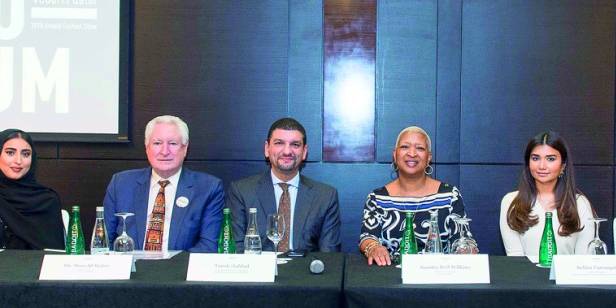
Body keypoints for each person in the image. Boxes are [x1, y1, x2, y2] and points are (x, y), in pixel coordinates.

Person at [102, 115, 225, 252]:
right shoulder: (121, 184)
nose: (164, 151)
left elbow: (208, 247)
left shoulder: (208, 188)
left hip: (179, 271)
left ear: (185, 148)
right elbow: (104, 242)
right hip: (131, 270)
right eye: (157, 143)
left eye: (172, 143)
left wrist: (165, 269)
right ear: (146, 147)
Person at [359, 126, 475, 265]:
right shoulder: (377, 198)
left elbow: (462, 237)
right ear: (395, 154)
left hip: (438, 276)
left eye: (420, 148)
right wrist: (374, 248)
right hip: (390, 277)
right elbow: (368, 237)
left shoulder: (449, 195)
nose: (412, 153)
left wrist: (466, 251)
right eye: (405, 147)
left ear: (428, 158)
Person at [226, 118, 342, 253]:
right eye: (279, 143)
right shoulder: (242, 192)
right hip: (258, 272)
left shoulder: (325, 196)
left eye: (295, 145)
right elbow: (236, 251)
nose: (287, 151)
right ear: (267, 148)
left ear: (304, 151)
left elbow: (329, 257)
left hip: (304, 272)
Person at [0, 128, 65, 250]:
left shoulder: (47, 200)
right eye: (10, 153)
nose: (18, 161)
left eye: (25, 154)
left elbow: (54, 256)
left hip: (36, 268)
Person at [499, 132, 596, 261]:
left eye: (550, 159)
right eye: (535, 158)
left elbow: (584, 260)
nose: (542, 166)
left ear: (563, 165)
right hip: (526, 279)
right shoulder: (511, 202)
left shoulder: (580, 204)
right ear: (528, 163)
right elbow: (515, 259)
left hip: (567, 279)